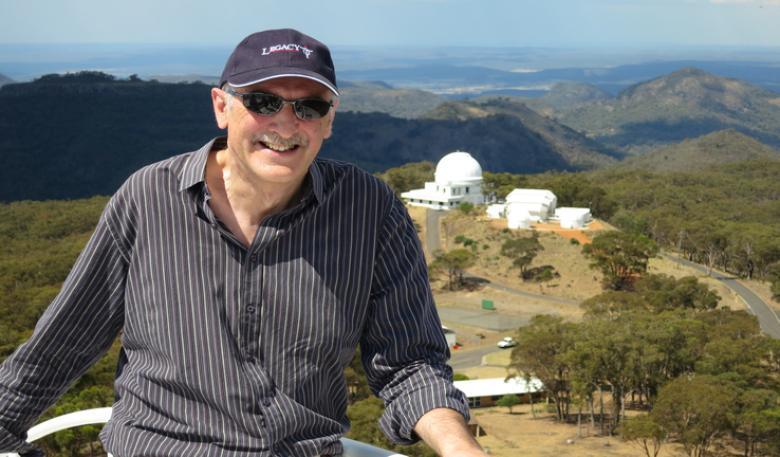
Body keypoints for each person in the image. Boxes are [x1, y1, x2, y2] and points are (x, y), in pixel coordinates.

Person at [0, 29, 487, 457]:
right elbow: (62, 344)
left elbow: (411, 362)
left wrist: (460, 447)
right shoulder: (149, 198)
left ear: (330, 120)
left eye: (309, 106)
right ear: (221, 107)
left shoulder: (370, 209)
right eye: (263, 102)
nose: (286, 122)